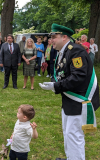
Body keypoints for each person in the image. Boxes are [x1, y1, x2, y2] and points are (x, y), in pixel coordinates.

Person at [39, 23, 99, 160]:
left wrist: (56, 86)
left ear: (64, 37)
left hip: (79, 101)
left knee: (74, 136)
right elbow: (63, 73)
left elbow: (78, 77)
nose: (51, 40)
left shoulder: (76, 51)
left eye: (54, 36)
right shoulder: (65, 51)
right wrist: (55, 83)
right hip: (70, 100)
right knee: (68, 134)